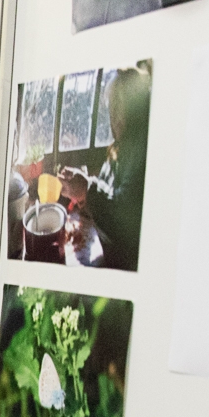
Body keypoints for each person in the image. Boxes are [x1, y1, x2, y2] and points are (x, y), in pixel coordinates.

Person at [58, 66, 151, 271]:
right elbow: (107, 188)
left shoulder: (143, 153)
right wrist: (85, 193)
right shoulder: (120, 145)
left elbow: (124, 218)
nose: (112, 116)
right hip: (107, 249)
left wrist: (86, 189)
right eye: (111, 106)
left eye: (119, 106)